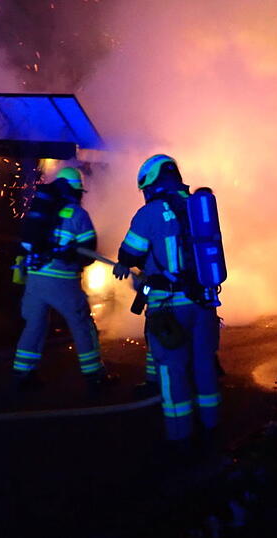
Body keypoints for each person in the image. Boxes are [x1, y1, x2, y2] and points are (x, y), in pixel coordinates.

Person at [113, 155, 222, 442]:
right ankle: (212, 427)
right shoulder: (198, 206)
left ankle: (180, 437)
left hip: (168, 308)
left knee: (172, 371)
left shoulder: (150, 213)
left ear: (150, 183)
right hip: (204, 303)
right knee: (204, 365)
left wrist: (125, 262)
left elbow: (129, 254)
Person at [12, 167, 115, 391]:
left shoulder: (40, 210)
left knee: (34, 326)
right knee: (82, 324)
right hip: (62, 280)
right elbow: (89, 251)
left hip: (35, 279)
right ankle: (94, 376)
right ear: (76, 191)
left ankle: (22, 374)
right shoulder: (77, 214)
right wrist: (74, 256)